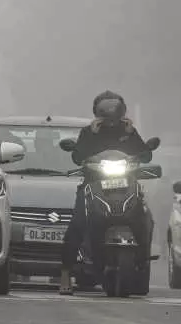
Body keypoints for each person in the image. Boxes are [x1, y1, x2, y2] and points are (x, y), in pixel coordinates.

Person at [58, 91, 150, 296]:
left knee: (142, 217)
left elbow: (146, 155)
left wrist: (131, 133)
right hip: (94, 185)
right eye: (105, 112)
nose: (110, 117)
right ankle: (66, 273)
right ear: (97, 112)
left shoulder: (128, 131)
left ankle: (142, 259)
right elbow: (77, 157)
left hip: (125, 185)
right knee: (78, 224)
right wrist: (91, 133)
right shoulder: (89, 132)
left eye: (114, 111)